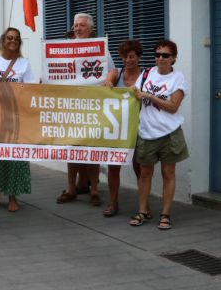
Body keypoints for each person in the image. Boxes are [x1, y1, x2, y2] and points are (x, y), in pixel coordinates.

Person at [56, 13, 117, 206]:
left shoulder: (99, 48)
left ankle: (95, 190)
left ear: (90, 29)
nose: (77, 28)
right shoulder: (65, 47)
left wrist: (108, 80)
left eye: (82, 25)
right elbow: (54, 69)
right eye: (75, 25)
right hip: (72, 106)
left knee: (92, 147)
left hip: (92, 105)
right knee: (72, 148)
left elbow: (113, 70)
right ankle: (71, 188)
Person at [130, 40, 188, 230]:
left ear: (173, 59)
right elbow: (133, 94)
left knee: (168, 173)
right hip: (147, 132)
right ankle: (142, 210)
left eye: (165, 55)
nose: (160, 58)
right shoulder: (147, 74)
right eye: (157, 54)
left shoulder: (177, 78)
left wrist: (149, 96)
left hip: (169, 133)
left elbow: (173, 107)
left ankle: (165, 214)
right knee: (145, 173)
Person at [0, 28, 36, 212]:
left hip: (16, 117)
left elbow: (30, 88)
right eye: (9, 38)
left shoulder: (24, 64)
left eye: (16, 39)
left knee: (14, 156)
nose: (13, 41)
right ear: (3, 40)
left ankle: (13, 196)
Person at [102, 39, 145, 217]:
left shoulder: (146, 76)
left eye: (132, 57)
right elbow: (107, 82)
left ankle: (144, 205)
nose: (128, 60)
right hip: (117, 129)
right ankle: (113, 203)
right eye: (125, 57)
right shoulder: (116, 74)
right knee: (113, 167)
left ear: (138, 57)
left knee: (139, 167)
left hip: (140, 128)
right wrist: (108, 84)